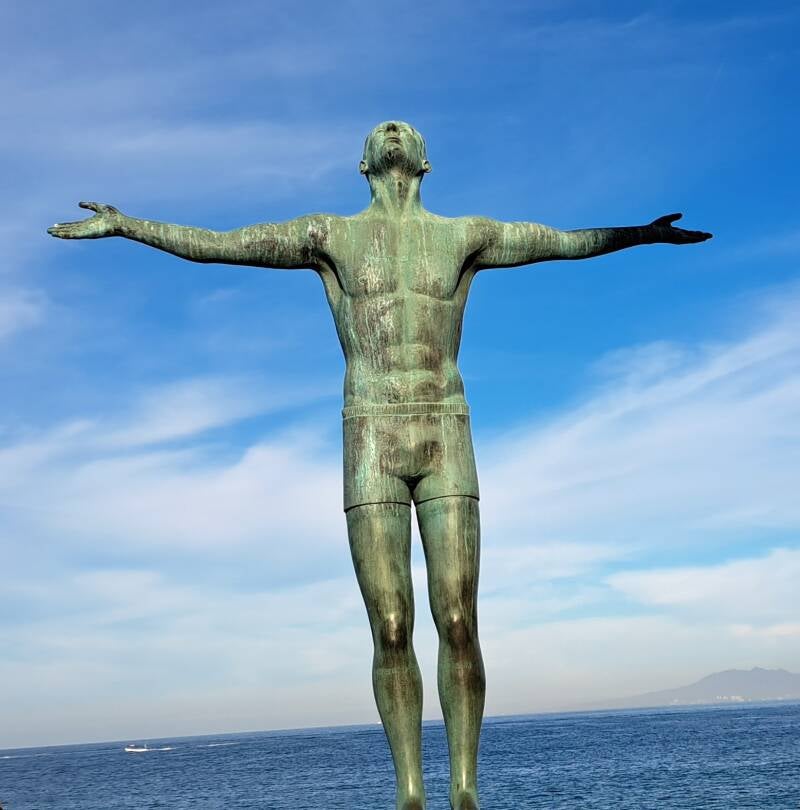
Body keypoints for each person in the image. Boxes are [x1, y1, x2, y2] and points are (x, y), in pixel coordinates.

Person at [49, 121, 711, 810]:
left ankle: (464, 787)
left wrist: (641, 234)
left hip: (445, 428)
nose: (393, 129)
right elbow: (221, 245)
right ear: (365, 164)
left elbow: (563, 242)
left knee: (458, 618)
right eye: (381, 130)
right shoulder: (327, 235)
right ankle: (409, 790)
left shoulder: (468, 236)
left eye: (405, 129)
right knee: (391, 625)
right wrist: (128, 225)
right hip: (370, 432)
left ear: (424, 162)